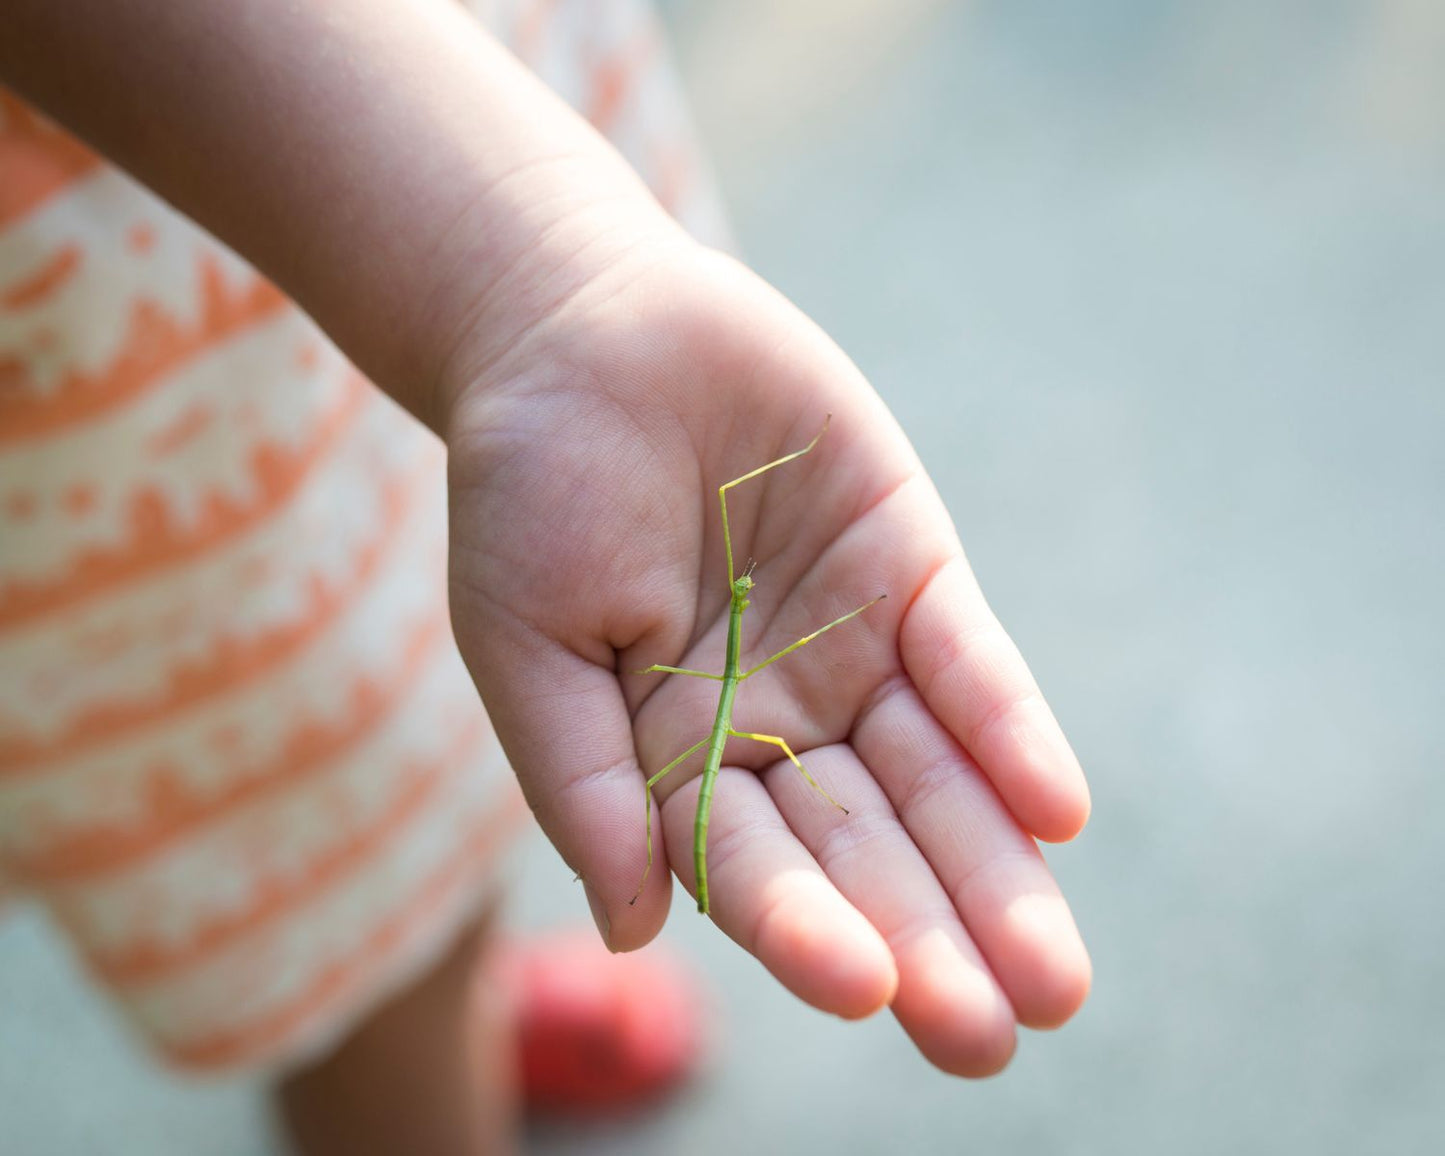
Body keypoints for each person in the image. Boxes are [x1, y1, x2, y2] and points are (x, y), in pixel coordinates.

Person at [0, 1, 1092, 1152]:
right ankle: (400, 1003)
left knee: (456, 760)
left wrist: (551, 278)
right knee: (349, 848)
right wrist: (531, 285)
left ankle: (435, 981)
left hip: (433, 130)